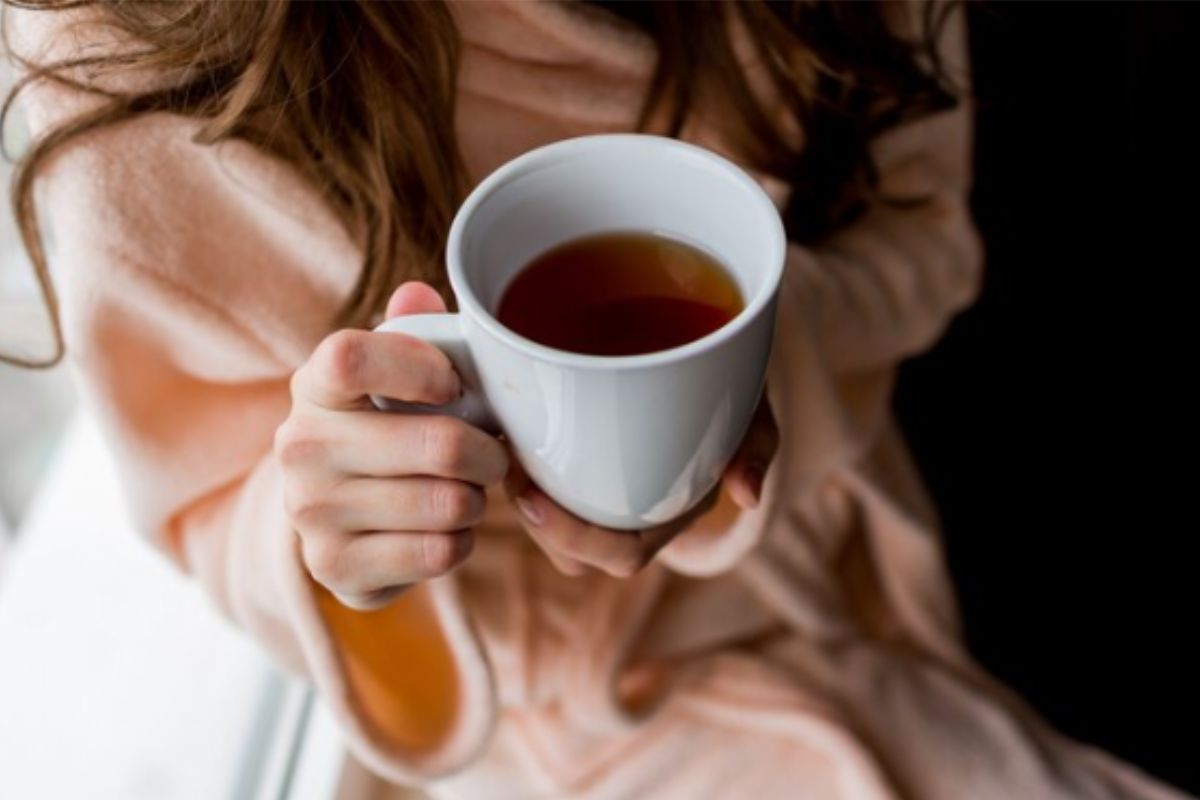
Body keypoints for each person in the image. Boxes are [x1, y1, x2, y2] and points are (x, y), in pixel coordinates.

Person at [2, 1, 1186, 797]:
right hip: (547, 711)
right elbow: (207, 487)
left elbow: (926, 241)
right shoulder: (128, 50)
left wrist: (747, 372)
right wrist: (347, 542)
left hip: (867, 544)